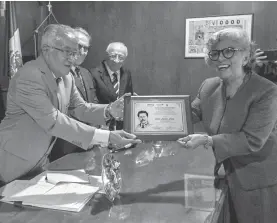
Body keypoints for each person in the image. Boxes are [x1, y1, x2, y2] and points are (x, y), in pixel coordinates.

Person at [0, 24, 141, 184]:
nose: (73, 58)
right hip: (11, 166)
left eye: (75, 53)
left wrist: (109, 110)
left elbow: (80, 109)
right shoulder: (29, 76)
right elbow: (54, 121)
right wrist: (107, 137)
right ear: (46, 50)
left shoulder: (67, 77)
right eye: (67, 52)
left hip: (39, 165)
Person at [177, 28, 277, 223]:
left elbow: (252, 139)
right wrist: (149, 110)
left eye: (229, 51)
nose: (220, 58)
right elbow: (191, 114)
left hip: (255, 180)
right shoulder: (209, 86)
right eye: (215, 53)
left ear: (246, 56)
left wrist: (207, 140)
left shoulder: (267, 91)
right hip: (222, 175)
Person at [49, 27, 98, 161]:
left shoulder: (86, 74)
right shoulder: (55, 73)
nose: (82, 52)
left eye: (86, 48)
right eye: (79, 46)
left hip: (88, 145)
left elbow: (92, 103)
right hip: (64, 147)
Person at [90, 42, 135, 130]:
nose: (116, 60)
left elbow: (128, 97)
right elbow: (92, 102)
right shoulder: (93, 73)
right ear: (107, 55)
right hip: (102, 124)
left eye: (121, 57)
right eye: (113, 56)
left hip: (121, 126)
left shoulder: (126, 74)